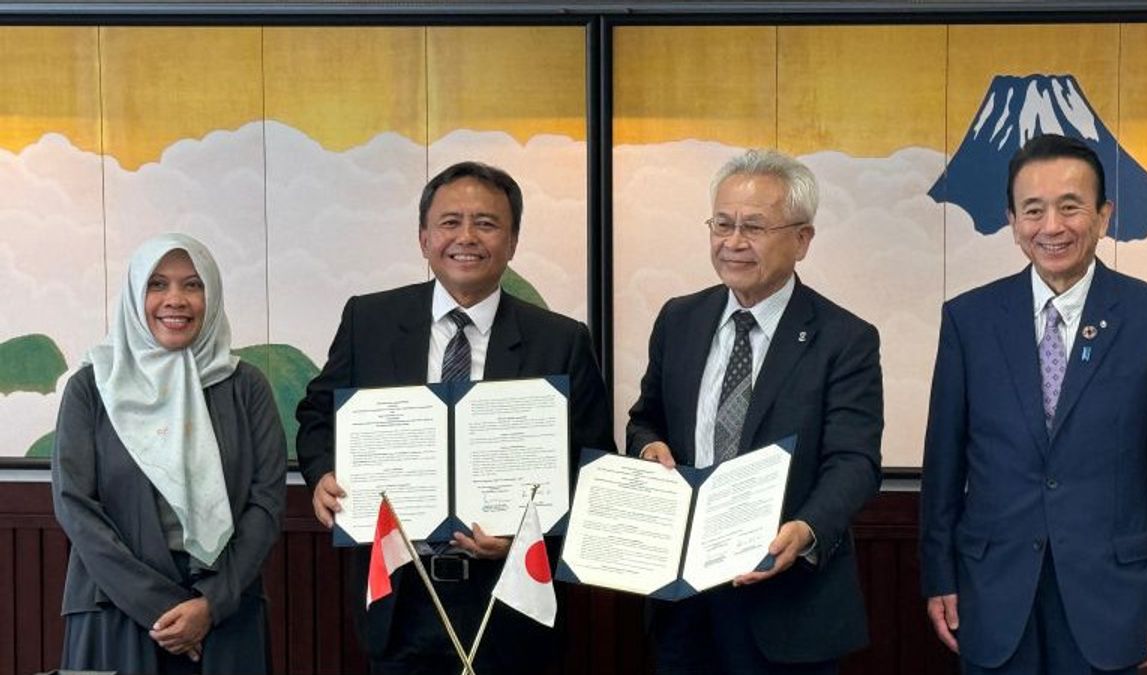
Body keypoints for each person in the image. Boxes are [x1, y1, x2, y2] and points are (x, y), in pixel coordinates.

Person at [295, 161, 614, 674]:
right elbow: (317, 414)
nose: (466, 237)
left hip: (510, 602)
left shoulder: (560, 340)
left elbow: (593, 465)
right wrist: (320, 475)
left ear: (512, 241)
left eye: (486, 223)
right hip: (400, 594)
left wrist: (527, 537)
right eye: (450, 222)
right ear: (424, 238)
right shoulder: (369, 321)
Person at [921, 133, 1147, 674]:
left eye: (1071, 207)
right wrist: (939, 576)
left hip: (1113, 596)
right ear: (1011, 221)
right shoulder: (969, 320)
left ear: (1103, 215)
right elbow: (944, 465)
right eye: (1033, 210)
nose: (1052, 226)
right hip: (991, 591)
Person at [627, 148, 883, 675]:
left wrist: (807, 528)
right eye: (722, 224)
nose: (733, 242)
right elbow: (644, 417)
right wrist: (647, 446)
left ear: (802, 239)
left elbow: (854, 461)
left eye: (754, 227)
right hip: (684, 604)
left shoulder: (845, 339)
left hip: (788, 604)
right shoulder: (680, 319)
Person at [51, 233, 287, 674]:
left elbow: (267, 501)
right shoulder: (92, 386)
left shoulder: (246, 386)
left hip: (225, 609)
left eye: (192, 285)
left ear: (211, 296)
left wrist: (210, 605)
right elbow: (74, 505)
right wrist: (161, 607)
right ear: (135, 295)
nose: (175, 299)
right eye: (157, 284)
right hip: (115, 606)